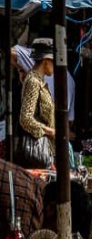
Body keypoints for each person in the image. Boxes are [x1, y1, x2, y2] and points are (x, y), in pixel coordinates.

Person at [17, 38, 56, 169]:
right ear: (46, 61)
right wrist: (50, 131)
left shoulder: (39, 81)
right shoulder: (33, 82)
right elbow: (25, 119)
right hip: (36, 150)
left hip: (46, 149)